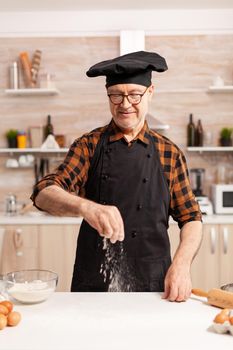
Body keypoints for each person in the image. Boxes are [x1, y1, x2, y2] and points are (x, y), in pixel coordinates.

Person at [31, 51, 203, 301]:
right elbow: (43, 192)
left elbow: (191, 218)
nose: (124, 104)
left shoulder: (170, 152)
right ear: (108, 96)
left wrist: (182, 265)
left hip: (155, 283)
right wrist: (86, 208)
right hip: (95, 284)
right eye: (116, 95)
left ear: (150, 92)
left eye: (134, 94)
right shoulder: (88, 145)